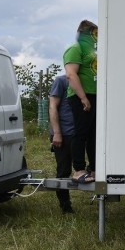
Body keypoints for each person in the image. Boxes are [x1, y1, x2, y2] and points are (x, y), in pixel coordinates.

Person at [64, 19, 98, 184]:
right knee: (81, 133)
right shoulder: (74, 48)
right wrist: (83, 98)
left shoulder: (93, 49)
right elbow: (71, 74)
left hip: (95, 94)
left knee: (94, 134)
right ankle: (79, 170)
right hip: (80, 96)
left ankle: (95, 168)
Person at [48, 73, 74, 213]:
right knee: (64, 170)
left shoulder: (88, 80)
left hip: (81, 133)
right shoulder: (61, 81)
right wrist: (57, 133)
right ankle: (65, 206)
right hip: (64, 133)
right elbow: (53, 106)